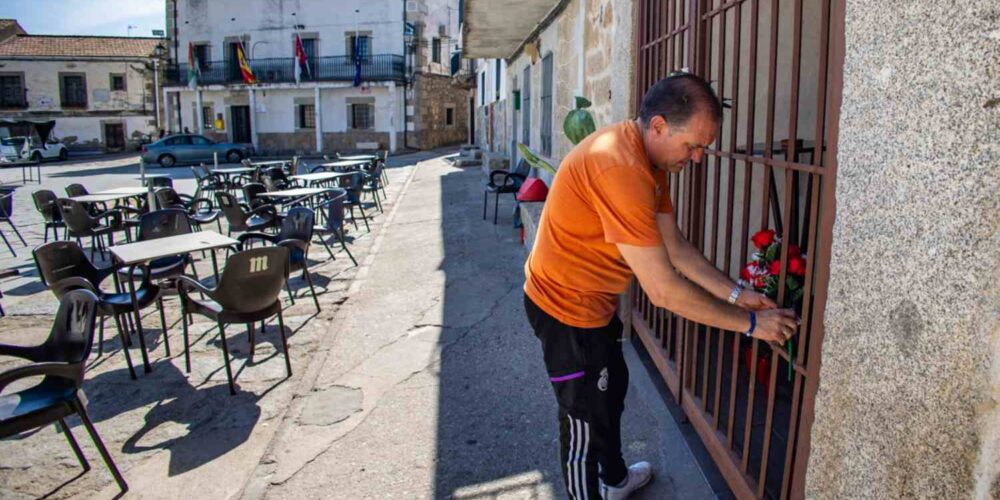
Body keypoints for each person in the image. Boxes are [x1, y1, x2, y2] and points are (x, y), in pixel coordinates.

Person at [523, 73, 799, 500]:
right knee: (582, 421)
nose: (699, 157)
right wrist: (748, 323)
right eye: (693, 146)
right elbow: (663, 290)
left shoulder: (650, 162)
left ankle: (614, 482)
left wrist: (737, 293)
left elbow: (675, 247)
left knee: (611, 391)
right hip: (564, 310)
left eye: (704, 147)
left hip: (595, 305)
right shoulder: (620, 166)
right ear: (657, 126)